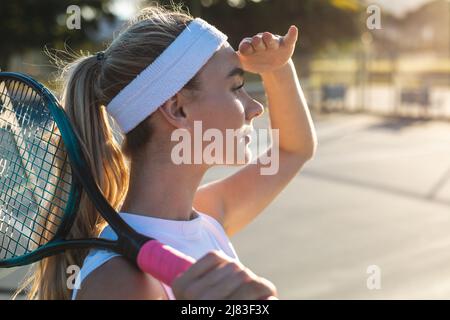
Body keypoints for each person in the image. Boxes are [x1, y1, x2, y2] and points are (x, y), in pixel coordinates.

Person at [22, 3, 317, 300]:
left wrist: (277, 70)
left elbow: (293, 149)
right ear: (177, 108)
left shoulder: (206, 215)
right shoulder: (117, 283)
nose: (255, 108)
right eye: (236, 87)